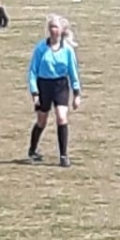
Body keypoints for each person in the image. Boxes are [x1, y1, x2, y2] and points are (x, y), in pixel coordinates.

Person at [27, 16, 82, 167]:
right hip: (44, 85)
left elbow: (73, 72)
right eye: (51, 27)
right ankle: (32, 150)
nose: (53, 30)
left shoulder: (67, 50)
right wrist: (35, 93)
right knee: (41, 121)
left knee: (61, 117)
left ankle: (63, 156)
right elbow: (32, 72)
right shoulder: (41, 48)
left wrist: (76, 94)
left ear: (61, 30)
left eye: (56, 27)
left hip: (60, 86)